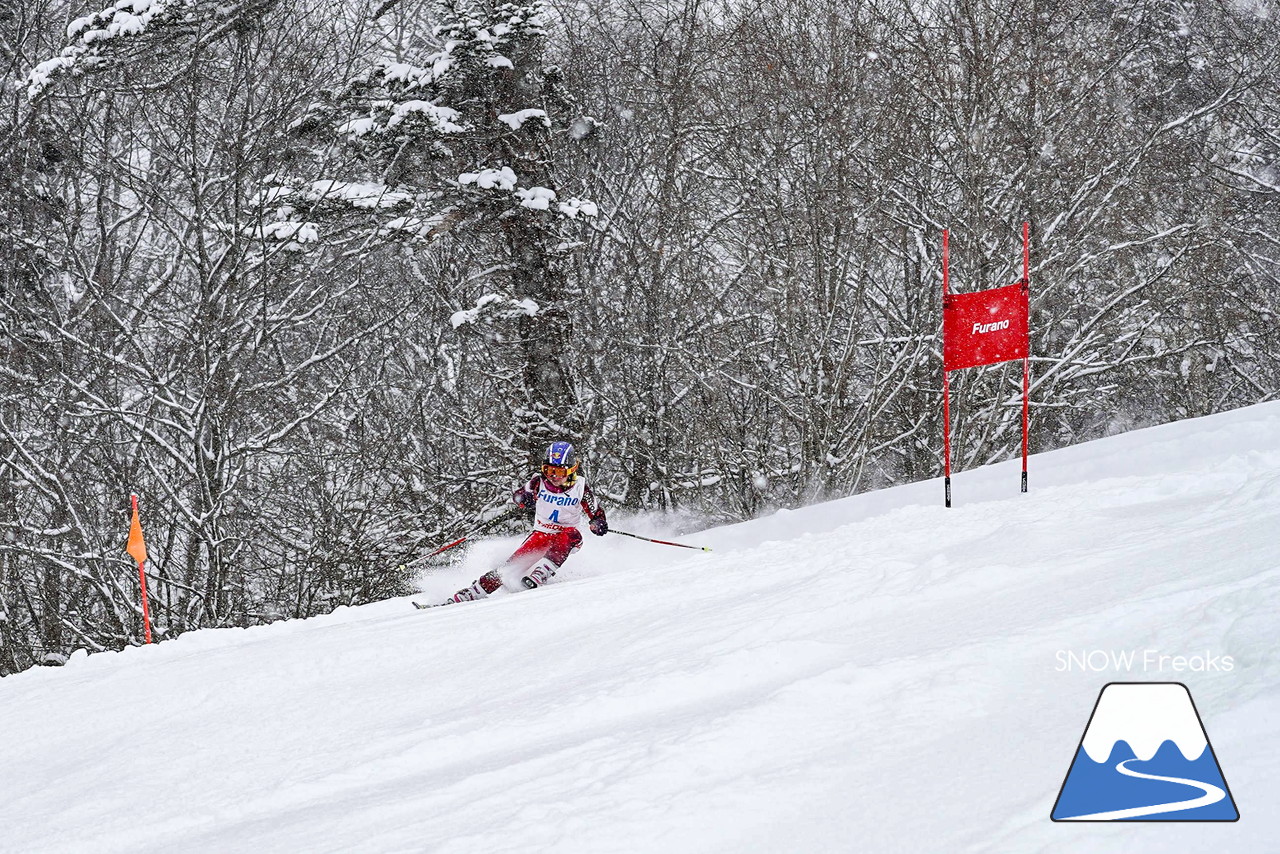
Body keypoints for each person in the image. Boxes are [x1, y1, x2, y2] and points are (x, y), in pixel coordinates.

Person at [443, 440, 608, 604]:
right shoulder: (538, 482)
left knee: (569, 534)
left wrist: (598, 522)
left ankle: (543, 571)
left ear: (572, 470)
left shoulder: (580, 487)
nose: (554, 477)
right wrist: (524, 498)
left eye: (559, 472)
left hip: (568, 537)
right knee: (511, 566)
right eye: (549, 470)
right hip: (541, 535)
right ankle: (475, 591)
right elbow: (519, 495)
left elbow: (595, 511)